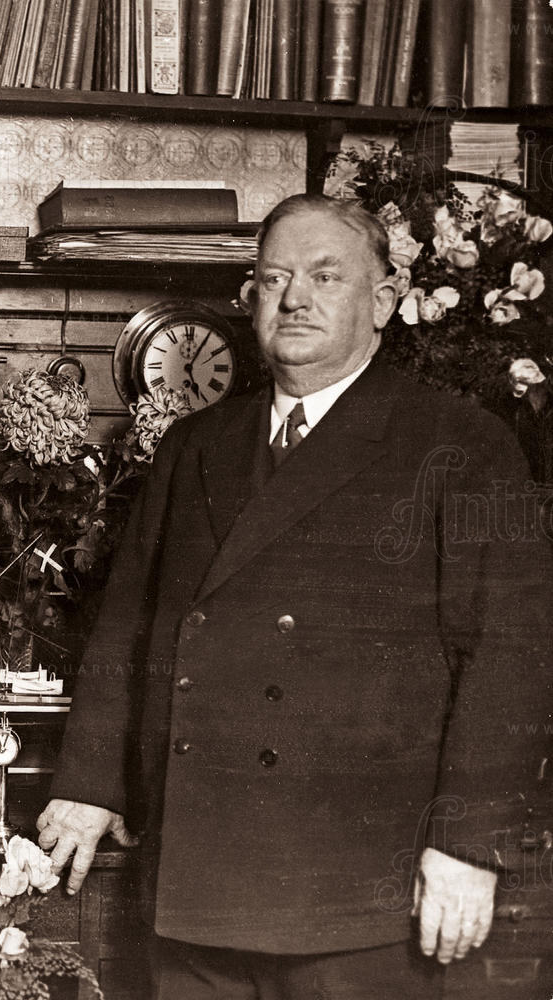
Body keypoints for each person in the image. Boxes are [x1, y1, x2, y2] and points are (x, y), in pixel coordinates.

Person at [38, 193, 553, 998]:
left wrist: (467, 844)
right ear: (250, 300)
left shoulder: (463, 442)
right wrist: (88, 785)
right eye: (274, 279)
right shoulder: (194, 444)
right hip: (200, 869)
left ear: (383, 300)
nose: (295, 299)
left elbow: (510, 656)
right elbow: (128, 626)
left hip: (362, 886)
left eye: (324, 276)